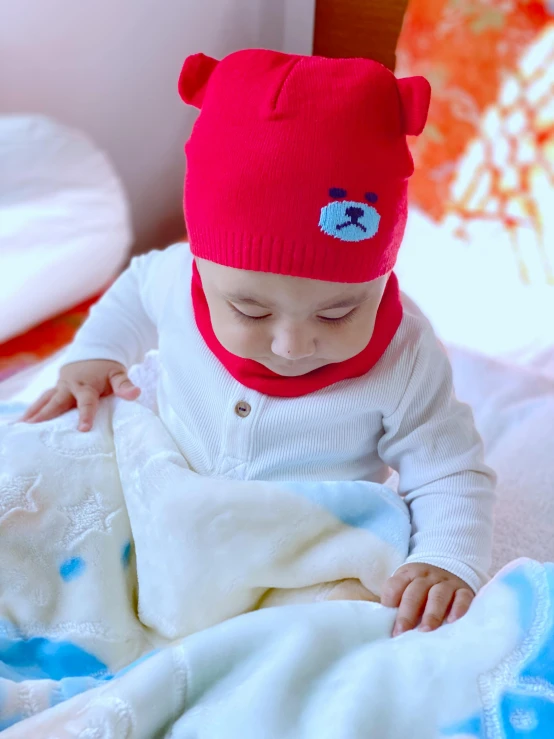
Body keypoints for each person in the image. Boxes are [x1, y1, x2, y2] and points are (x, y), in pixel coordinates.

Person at [21, 50, 495, 636]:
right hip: (157, 484)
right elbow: (136, 290)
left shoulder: (406, 356)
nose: (293, 344)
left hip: (296, 541)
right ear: (202, 266)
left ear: (381, 280)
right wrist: (96, 355)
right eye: (251, 309)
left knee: (352, 620)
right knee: (34, 486)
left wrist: (445, 558)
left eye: (339, 311)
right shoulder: (178, 277)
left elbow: (449, 471)